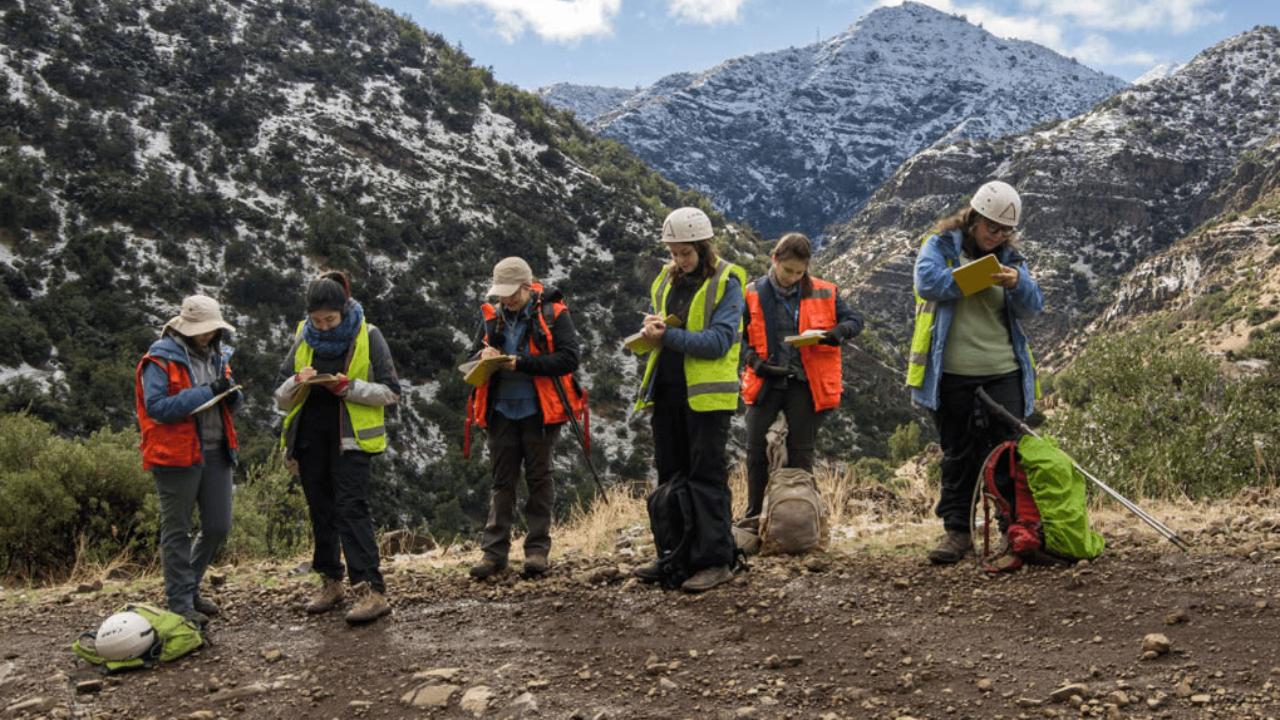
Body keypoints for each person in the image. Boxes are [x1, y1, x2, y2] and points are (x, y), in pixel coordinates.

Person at [909, 180, 1044, 564]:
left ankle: (1015, 531)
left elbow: (1034, 305)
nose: (997, 236)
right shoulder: (940, 246)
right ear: (974, 219)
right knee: (957, 454)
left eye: (1005, 231)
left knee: (1007, 455)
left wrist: (1017, 283)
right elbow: (928, 283)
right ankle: (957, 532)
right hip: (951, 373)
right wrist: (978, 276)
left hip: (1003, 371)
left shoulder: (1012, 261)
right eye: (991, 228)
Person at [274, 271, 401, 624]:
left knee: (351, 509)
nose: (324, 327)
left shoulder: (368, 334)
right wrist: (297, 382)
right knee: (320, 510)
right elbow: (280, 394)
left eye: (330, 319)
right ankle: (331, 582)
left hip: (352, 439)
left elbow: (391, 391)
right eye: (317, 320)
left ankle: (371, 589)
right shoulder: (303, 336)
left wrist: (349, 388)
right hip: (310, 437)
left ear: (344, 311)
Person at [632, 207, 747, 593]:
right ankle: (675, 556)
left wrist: (667, 338)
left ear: (703, 246)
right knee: (672, 476)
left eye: (686, 253)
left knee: (706, 477)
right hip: (666, 392)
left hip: (707, 399)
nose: (679, 260)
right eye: (673, 252)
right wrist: (651, 335)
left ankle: (715, 560)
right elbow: (668, 334)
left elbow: (718, 341)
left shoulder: (727, 282)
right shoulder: (665, 281)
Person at [465, 257, 583, 580]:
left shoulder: (554, 314)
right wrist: (482, 357)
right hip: (500, 412)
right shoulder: (492, 318)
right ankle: (494, 555)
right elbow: (469, 359)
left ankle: (536, 551)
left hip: (540, 412)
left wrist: (522, 363)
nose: (505, 300)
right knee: (502, 482)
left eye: (511, 294)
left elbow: (569, 358)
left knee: (538, 479)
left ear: (527, 287)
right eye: (501, 294)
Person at [135, 295, 243, 626]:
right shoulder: (158, 359)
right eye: (203, 330)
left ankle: (190, 586)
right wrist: (210, 391)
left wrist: (232, 394)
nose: (208, 335)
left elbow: (229, 404)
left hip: (215, 450)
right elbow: (157, 407)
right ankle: (180, 602)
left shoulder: (216, 355)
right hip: (176, 455)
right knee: (177, 529)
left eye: (212, 330)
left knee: (217, 525)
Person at [740, 232, 863, 522]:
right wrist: (755, 362)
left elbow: (855, 320)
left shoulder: (825, 290)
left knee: (801, 453)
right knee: (756, 451)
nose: (793, 278)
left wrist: (837, 333)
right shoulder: (752, 293)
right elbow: (739, 338)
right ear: (775, 260)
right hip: (765, 381)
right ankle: (754, 516)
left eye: (799, 272)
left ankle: (799, 519)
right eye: (788, 271)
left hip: (805, 383)